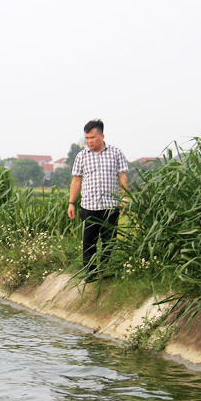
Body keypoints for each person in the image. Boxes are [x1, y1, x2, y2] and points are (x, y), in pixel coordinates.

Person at [67, 119, 129, 280]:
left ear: (102, 136)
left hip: (111, 205)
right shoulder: (81, 156)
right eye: (87, 138)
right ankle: (90, 272)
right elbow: (76, 180)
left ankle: (105, 269)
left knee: (109, 240)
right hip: (89, 205)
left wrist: (125, 197)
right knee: (89, 240)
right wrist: (71, 203)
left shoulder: (115, 153)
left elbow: (122, 176)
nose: (89, 141)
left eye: (92, 137)